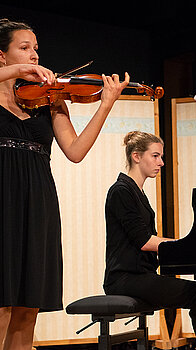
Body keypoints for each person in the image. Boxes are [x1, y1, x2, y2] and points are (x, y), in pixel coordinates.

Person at [0, 18, 130, 349]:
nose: (34, 56)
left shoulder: (47, 98)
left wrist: (106, 104)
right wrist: (15, 73)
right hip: (3, 201)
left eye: (36, 49)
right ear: (2, 55)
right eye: (24, 48)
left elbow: (75, 150)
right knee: (0, 304)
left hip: (38, 203)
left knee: (28, 307)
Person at [103, 131, 196, 350]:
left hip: (141, 276)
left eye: (161, 156)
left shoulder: (137, 193)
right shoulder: (121, 191)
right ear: (137, 156)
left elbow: (150, 241)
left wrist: (186, 247)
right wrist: (185, 246)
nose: (162, 162)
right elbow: (144, 241)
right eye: (155, 156)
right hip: (123, 278)